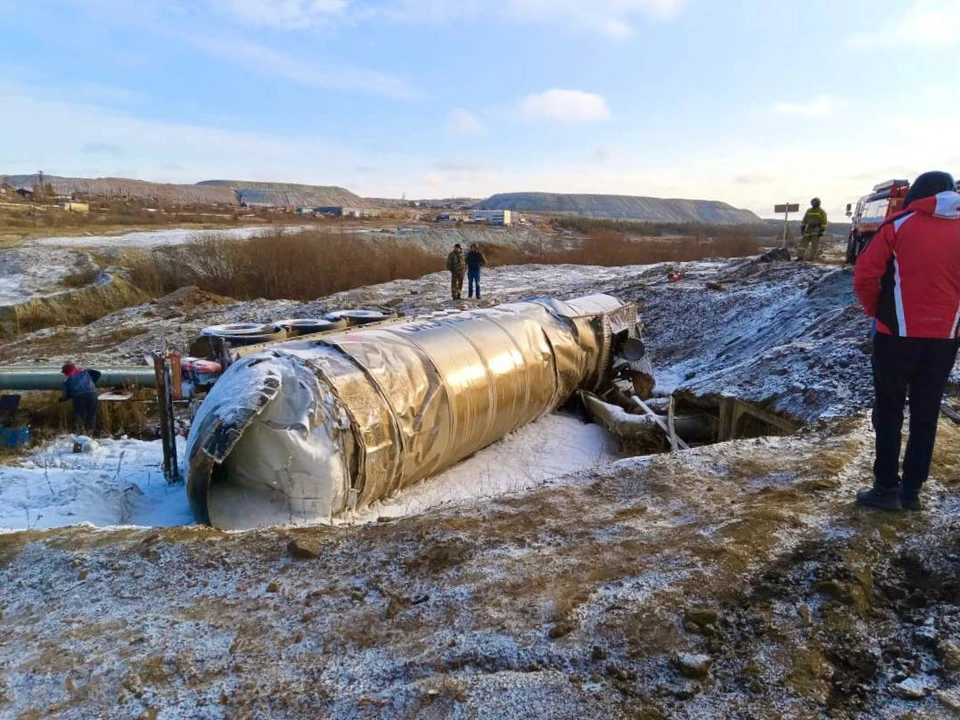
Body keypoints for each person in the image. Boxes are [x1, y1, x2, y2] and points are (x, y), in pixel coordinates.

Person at [852, 171, 960, 511]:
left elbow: (865, 276)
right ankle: (913, 490)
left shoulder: (898, 225)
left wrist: (879, 313)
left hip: (895, 335)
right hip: (945, 338)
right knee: (926, 411)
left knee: (889, 411)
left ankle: (886, 488)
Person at [60, 362, 102, 433]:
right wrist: (92, 382)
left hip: (78, 397)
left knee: (80, 415)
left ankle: (81, 433)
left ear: (66, 372)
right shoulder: (85, 371)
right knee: (91, 414)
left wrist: (63, 399)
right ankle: (90, 433)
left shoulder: (67, 379)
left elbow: (68, 393)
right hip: (92, 393)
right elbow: (98, 373)